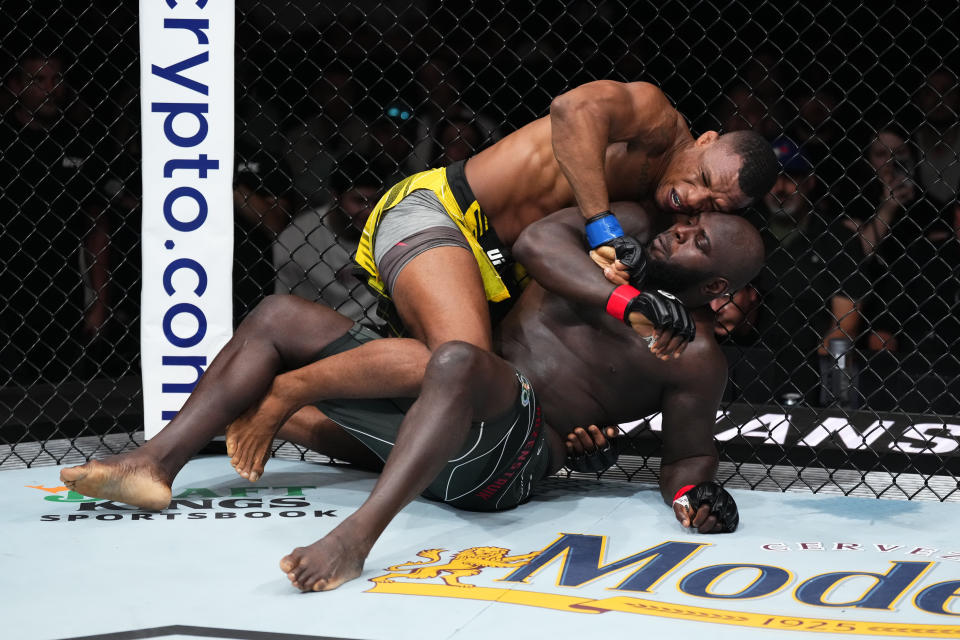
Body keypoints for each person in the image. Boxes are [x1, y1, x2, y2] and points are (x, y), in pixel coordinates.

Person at [60, 203, 765, 593]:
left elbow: (689, 457)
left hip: (509, 463)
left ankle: (354, 539)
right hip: (442, 419)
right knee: (278, 315)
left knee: (458, 359)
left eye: (698, 242)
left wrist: (691, 500)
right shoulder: (622, 233)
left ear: (716, 291)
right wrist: (625, 295)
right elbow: (536, 244)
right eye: (686, 223)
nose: (678, 233)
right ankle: (154, 465)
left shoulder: (694, 357)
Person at [353, 79, 778, 358]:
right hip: (447, 207)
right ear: (705, 140)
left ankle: (308, 367)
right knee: (461, 362)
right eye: (701, 177)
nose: (691, 197)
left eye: (713, 205)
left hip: (502, 277)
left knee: (468, 387)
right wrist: (602, 225)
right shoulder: (655, 120)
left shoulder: (666, 218)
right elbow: (570, 108)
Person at [0, 48, 110, 382]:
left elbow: (97, 225)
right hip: (6, 289)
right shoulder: (4, 142)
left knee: (60, 391)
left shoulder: (79, 141)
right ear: (16, 86)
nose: (49, 88)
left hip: (60, 291)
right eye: (38, 80)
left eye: (56, 79)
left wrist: (100, 300)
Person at [753, 138, 871, 405]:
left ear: (810, 182)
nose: (781, 188)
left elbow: (845, 325)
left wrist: (814, 372)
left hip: (814, 363)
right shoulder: (744, 233)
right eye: (773, 178)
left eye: (791, 177)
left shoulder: (837, 238)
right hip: (753, 357)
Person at [273, 154, 386, 329]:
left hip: (375, 328)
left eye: (376, 202)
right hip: (315, 329)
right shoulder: (298, 236)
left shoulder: (393, 233)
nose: (368, 211)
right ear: (336, 197)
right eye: (359, 201)